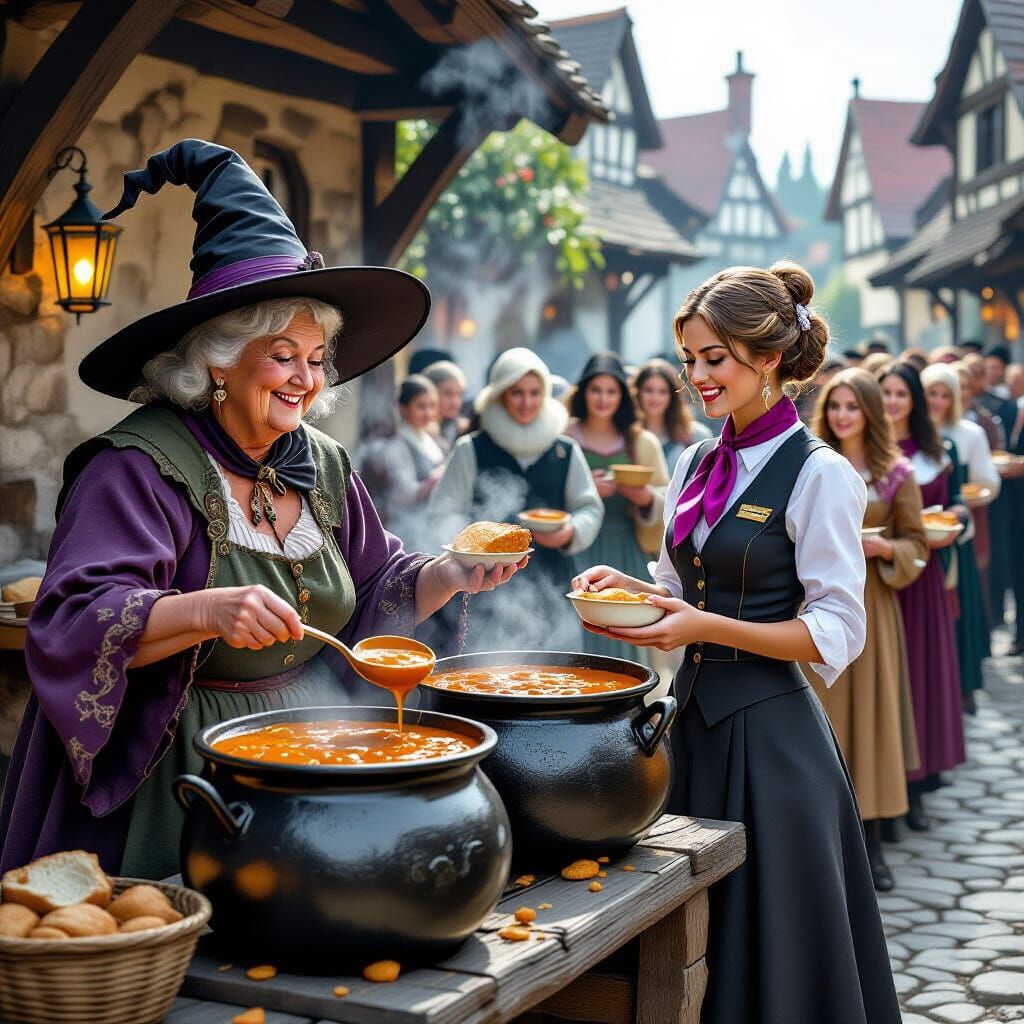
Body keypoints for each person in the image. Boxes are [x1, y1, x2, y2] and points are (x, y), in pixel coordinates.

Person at [0, 141, 525, 879]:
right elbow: (74, 623)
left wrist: (448, 573)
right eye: (283, 355)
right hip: (178, 781)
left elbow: (374, 589)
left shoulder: (321, 463)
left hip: (313, 764)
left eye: (316, 359)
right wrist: (206, 611)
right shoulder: (135, 469)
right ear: (216, 359)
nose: (306, 380)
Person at [574, 262, 900, 1024]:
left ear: (770, 359)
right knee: (681, 948)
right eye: (690, 359)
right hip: (688, 729)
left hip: (773, 742)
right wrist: (625, 595)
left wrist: (700, 626)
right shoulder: (692, 460)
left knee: (770, 957)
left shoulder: (822, 475)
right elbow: (678, 590)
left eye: (713, 358)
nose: (696, 377)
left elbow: (835, 632)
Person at [809, 369, 926, 891]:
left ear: (870, 412)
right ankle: (823, 843)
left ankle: (873, 844)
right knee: (823, 724)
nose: (841, 416)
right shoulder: (812, 466)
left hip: (872, 608)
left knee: (871, 724)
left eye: (852, 407)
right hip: (816, 608)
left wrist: (884, 548)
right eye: (835, 406)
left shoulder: (896, 473)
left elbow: (916, 545)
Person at [427, 347, 603, 653]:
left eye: (535, 393)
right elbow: (443, 512)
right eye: (517, 393)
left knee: (553, 673)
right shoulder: (471, 448)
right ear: (499, 395)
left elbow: (588, 507)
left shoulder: (565, 450)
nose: (527, 402)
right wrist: (475, 550)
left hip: (554, 580)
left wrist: (570, 531)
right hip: (485, 584)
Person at [877, 361, 966, 829]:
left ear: (913, 400)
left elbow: (955, 505)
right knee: (890, 681)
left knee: (922, 676)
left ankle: (918, 783)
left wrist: (956, 521)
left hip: (921, 572)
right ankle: (886, 792)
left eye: (900, 394)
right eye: (885, 393)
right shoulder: (866, 449)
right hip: (878, 580)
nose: (893, 402)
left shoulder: (934, 451)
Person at [567, 352, 669, 664]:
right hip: (577, 550)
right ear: (584, 392)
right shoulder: (565, 436)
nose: (603, 398)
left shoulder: (641, 442)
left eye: (611, 391)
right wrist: (586, 492)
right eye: (596, 389)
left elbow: (668, 499)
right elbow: (546, 501)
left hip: (627, 552)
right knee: (579, 635)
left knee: (627, 635)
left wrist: (644, 498)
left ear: (622, 395)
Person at [922, 363, 999, 712]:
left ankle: (964, 685)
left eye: (943, 394)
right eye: (931, 394)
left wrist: (961, 504)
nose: (937, 401)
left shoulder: (968, 434)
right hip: (919, 539)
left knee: (959, 617)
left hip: (955, 536)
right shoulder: (913, 433)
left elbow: (988, 482)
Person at [355, 375, 445, 551]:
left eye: (431, 406)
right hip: (406, 530)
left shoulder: (432, 439)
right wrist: (438, 477)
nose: (428, 413)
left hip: (430, 527)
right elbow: (404, 497)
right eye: (420, 406)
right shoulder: (395, 446)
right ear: (403, 408)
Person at [633, 357, 711, 470]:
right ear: (637, 392)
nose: (655, 398)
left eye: (662, 392)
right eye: (649, 390)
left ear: (673, 396)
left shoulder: (696, 435)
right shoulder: (626, 435)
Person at [421, 360, 469, 452]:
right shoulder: (416, 431)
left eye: (459, 394)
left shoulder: (465, 430)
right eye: (448, 394)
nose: (455, 402)